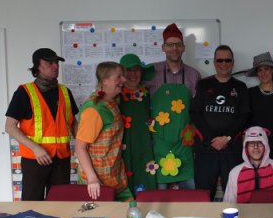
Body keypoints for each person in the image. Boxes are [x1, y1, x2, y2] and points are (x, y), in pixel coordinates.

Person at [5, 48, 79, 200]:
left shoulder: (65, 91)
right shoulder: (24, 92)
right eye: (50, 63)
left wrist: (82, 148)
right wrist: (35, 148)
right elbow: (10, 127)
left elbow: (73, 124)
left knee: (60, 203)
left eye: (57, 62)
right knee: (32, 204)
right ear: (37, 66)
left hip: (61, 159)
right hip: (35, 158)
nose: (56, 66)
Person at [144, 23, 201, 190]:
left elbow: (198, 109)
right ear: (163, 47)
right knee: (159, 196)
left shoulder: (193, 75)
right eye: (170, 44)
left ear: (183, 48)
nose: (174, 48)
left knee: (190, 194)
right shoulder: (150, 73)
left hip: (185, 144)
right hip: (158, 144)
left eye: (178, 44)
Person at [191, 45, 250, 201]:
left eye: (227, 60)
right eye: (220, 60)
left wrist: (227, 138)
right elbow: (195, 113)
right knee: (203, 196)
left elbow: (244, 116)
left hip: (231, 150)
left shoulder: (240, 87)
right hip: (206, 149)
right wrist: (212, 139)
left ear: (233, 62)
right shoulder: (203, 85)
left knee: (234, 195)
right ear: (214, 62)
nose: (224, 64)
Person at [74, 62, 133, 201]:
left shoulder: (111, 101)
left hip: (114, 176)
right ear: (104, 80)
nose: (124, 79)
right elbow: (80, 147)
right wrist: (92, 179)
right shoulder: (94, 110)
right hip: (99, 183)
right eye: (119, 76)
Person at [119, 53, 157, 195]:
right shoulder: (116, 95)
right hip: (123, 150)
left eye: (136, 70)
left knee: (147, 187)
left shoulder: (146, 94)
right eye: (128, 70)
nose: (133, 74)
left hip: (145, 148)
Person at [223, 126, 273, 203]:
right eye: (251, 143)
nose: (256, 147)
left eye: (260, 143)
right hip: (244, 211)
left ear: (265, 146)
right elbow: (229, 202)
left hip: (271, 210)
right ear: (246, 147)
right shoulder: (235, 172)